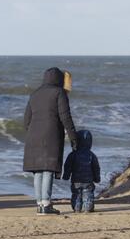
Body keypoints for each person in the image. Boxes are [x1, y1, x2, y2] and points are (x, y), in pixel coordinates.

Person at [23, 67, 77, 215]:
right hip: (50, 135)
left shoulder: (35, 94)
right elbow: (65, 117)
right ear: (58, 79)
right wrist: (73, 137)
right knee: (47, 169)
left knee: (37, 171)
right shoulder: (59, 92)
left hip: (33, 136)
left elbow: (26, 119)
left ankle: (39, 204)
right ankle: (46, 204)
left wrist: (32, 133)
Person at [62, 130, 100, 213]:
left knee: (76, 194)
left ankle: (77, 208)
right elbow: (96, 168)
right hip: (88, 180)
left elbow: (67, 166)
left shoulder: (72, 155)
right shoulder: (91, 155)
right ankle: (88, 208)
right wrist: (97, 178)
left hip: (76, 180)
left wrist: (66, 176)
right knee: (88, 193)